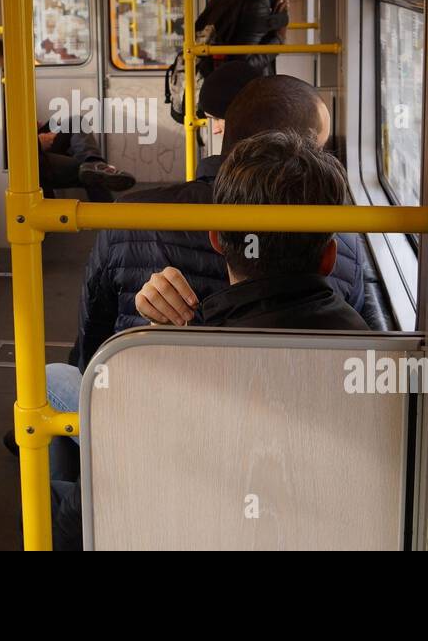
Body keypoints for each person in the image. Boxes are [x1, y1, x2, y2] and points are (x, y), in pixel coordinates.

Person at [26, 73, 368, 476]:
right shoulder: (345, 242)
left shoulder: (128, 220)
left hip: (164, 450)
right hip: (288, 460)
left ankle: (71, 504)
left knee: (53, 380)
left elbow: (95, 345)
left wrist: (154, 336)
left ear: (219, 241)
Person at [49, 131, 367, 549]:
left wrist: (148, 345)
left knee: (55, 380)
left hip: (180, 515)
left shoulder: (186, 364)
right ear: (329, 256)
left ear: (216, 240)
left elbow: (103, 501)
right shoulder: (368, 352)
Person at [135, 131, 370, 331]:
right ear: (329, 258)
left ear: (216, 239)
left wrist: (161, 334)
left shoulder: (202, 347)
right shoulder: (367, 347)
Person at [0, 36, 135, 201]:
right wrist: (37, 143)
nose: (9, 73)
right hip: (29, 159)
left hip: (30, 144)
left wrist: (31, 129)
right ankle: (106, 216)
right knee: (91, 175)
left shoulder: (0, 88)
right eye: (4, 69)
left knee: (76, 121)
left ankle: (93, 161)